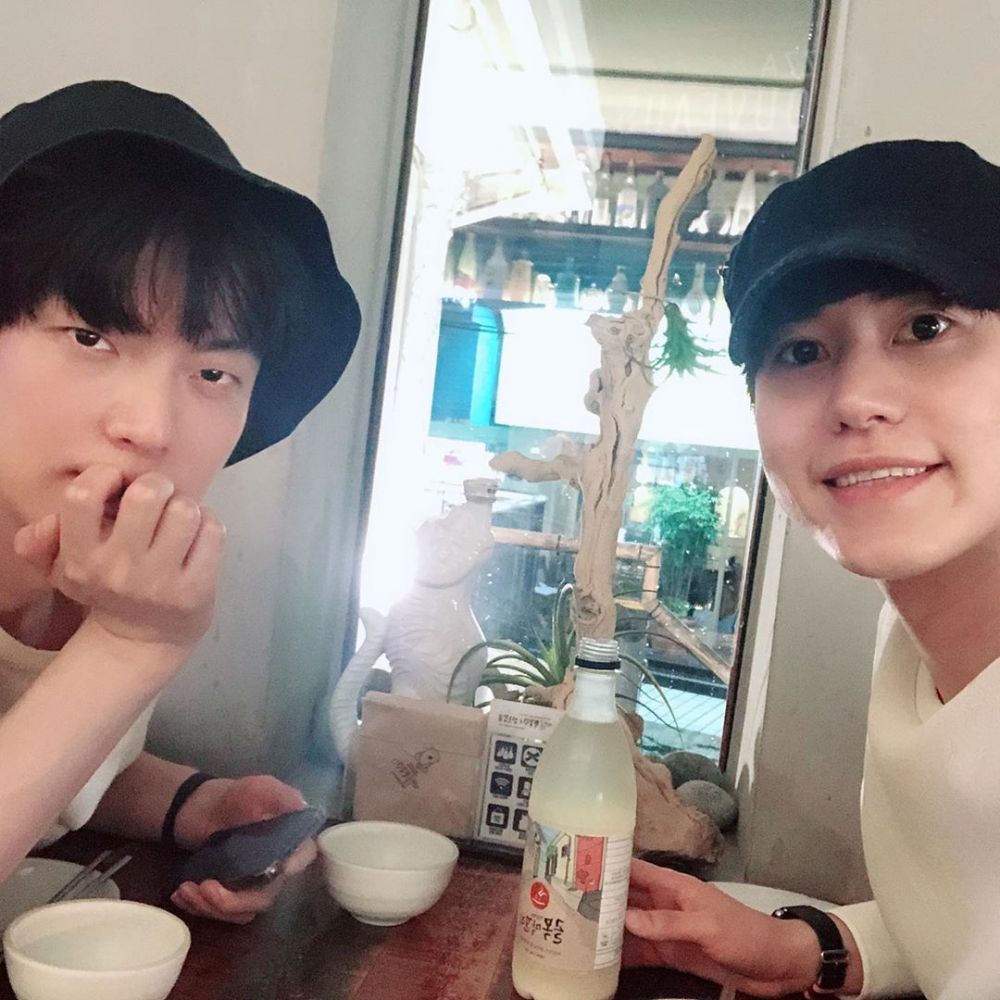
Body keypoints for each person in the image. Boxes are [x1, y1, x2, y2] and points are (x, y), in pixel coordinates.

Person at [623, 139, 1000, 999]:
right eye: (800, 351)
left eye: (926, 327)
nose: (856, 399)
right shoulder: (910, 636)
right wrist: (807, 949)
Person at [0, 80, 360, 923]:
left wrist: (194, 804)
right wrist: (131, 648)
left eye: (213, 373)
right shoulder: (131, 604)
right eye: (90, 337)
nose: (151, 428)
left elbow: (49, 758)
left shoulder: (109, 562)